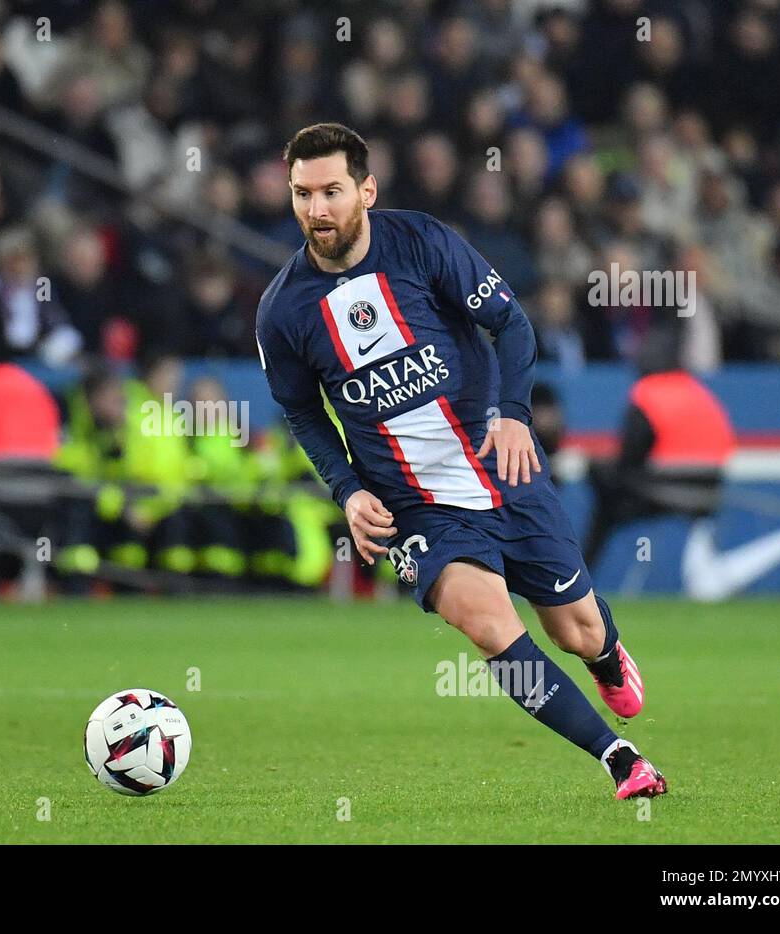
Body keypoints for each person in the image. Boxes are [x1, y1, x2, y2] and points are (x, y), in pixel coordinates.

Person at [255, 123, 665, 801]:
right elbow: (302, 412)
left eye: (330, 191)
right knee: (489, 626)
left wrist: (512, 414)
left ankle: (605, 656)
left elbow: (512, 323)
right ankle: (620, 760)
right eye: (302, 194)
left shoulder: (421, 242)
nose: (316, 209)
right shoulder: (283, 310)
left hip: (499, 467)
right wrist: (349, 491)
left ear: (366, 189)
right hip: (415, 505)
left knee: (576, 628)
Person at [583, 329, 734, 573]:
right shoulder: (698, 391)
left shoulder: (648, 393)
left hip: (664, 489)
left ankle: (582, 572)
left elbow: (630, 457)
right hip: (712, 490)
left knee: (601, 481)